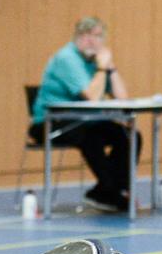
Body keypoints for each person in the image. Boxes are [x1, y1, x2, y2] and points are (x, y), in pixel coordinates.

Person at [29, 17, 142, 213]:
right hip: (50, 123)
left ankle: (109, 191)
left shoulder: (96, 62)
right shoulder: (67, 58)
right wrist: (101, 69)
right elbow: (92, 96)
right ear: (77, 38)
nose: (91, 40)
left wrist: (110, 68)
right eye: (85, 35)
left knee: (129, 135)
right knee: (92, 137)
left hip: (85, 121)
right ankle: (111, 192)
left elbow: (123, 98)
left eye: (97, 36)